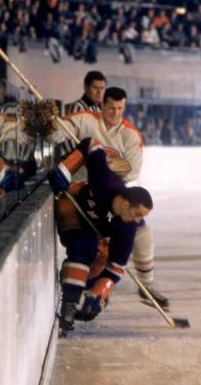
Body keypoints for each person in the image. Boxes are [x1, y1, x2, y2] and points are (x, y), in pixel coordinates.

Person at [44, 86, 170, 309]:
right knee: (84, 247)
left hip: (109, 195)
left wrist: (107, 165)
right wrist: (50, 123)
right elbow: (56, 135)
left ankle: (144, 285)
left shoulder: (130, 135)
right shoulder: (85, 120)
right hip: (74, 193)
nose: (116, 113)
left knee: (138, 232)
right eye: (111, 108)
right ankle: (75, 289)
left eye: (120, 108)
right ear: (103, 105)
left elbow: (133, 172)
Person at [48, 138, 154, 333]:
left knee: (99, 262)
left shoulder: (127, 227)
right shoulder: (105, 180)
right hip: (72, 206)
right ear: (124, 203)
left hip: (92, 227)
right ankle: (69, 305)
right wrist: (65, 169)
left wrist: (98, 294)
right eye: (137, 213)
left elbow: (115, 268)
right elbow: (90, 144)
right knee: (84, 249)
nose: (138, 220)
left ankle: (77, 290)